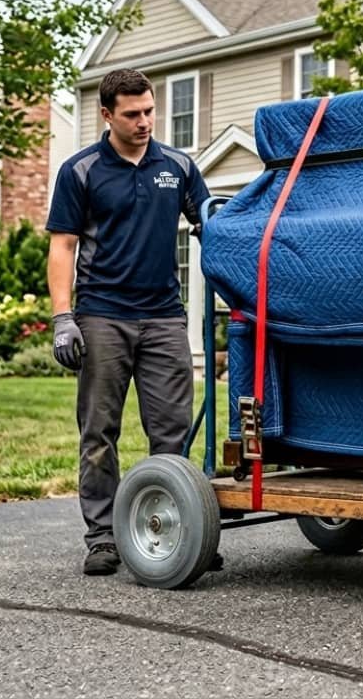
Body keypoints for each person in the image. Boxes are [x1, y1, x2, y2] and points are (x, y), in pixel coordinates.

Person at [47, 68, 213, 576]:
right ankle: (102, 537)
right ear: (106, 115)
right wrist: (62, 317)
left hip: (164, 317)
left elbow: (210, 225)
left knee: (173, 434)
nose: (144, 122)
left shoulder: (179, 167)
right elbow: (62, 246)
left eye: (149, 111)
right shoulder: (83, 171)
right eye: (132, 114)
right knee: (99, 433)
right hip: (103, 317)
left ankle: (179, 534)